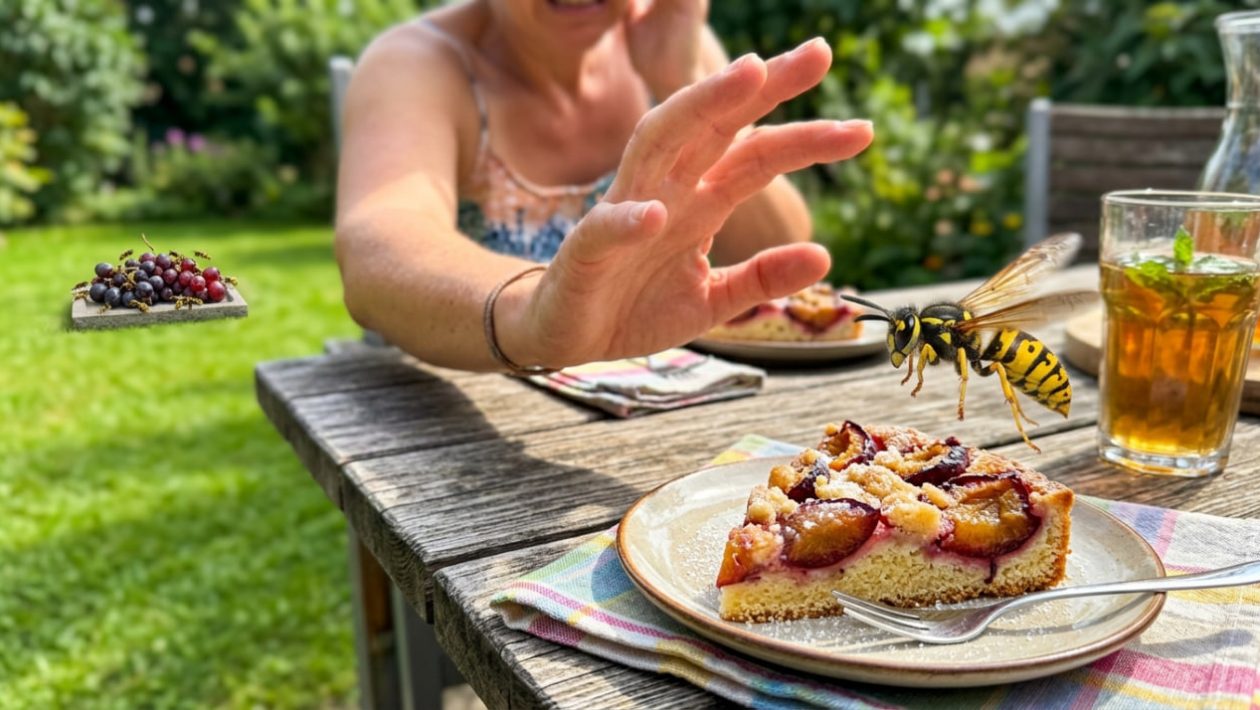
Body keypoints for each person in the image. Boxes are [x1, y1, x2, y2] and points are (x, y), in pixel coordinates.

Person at [334, 0, 874, 373]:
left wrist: (675, 78)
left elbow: (774, 259)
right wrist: (534, 312)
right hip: (447, 446)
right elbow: (378, 248)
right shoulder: (419, 62)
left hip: (644, 435)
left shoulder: (670, 45)